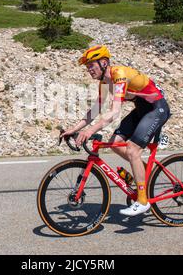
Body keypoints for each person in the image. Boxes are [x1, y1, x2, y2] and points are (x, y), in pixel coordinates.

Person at [61, 45, 171, 216]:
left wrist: (90, 131)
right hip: (142, 110)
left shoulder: (118, 75)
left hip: (156, 109)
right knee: (114, 144)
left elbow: (114, 112)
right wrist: (73, 129)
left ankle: (142, 200)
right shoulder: (104, 82)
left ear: (104, 62)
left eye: (91, 65)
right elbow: (95, 110)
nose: (89, 69)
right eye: (87, 66)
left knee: (133, 150)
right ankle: (143, 177)